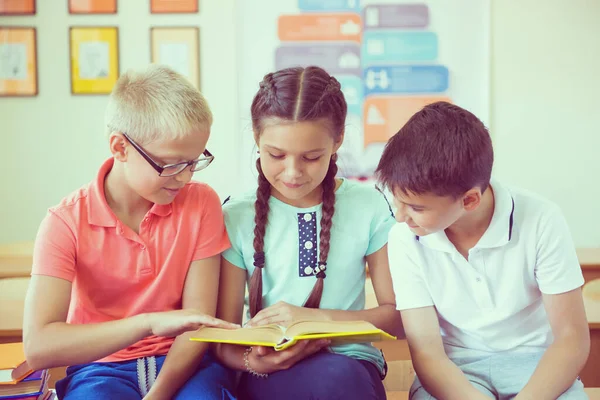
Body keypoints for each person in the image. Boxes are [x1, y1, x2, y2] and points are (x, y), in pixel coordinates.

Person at [23, 65, 238, 400]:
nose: (184, 178)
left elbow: (198, 325)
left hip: (187, 363)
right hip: (99, 369)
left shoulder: (201, 203)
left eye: (194, 162)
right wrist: (147, 323)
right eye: (170, 164)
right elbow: (39, 347)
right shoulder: (64, 222)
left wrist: (158, 395)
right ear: (120, 147)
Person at [377, 101, 590, 399]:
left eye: (415, 207)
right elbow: (427, 352)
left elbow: (571, 339)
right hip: (454, 373)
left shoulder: (542, 219)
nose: (400, 216)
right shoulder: (405, 237)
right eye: (396, 200)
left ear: (469, 201)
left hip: (540, 369)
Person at [215, 65, 402, 400]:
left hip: (350, 366)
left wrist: (314, 320)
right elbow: (222, 339)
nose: (292, 173)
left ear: (338, 140)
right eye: (276, 155)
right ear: (257, 138)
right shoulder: (235, 215)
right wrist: (253, 360)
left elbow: (395, 317)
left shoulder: (369, 207)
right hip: (266, 371)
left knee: (337, 380)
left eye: (312, 157)